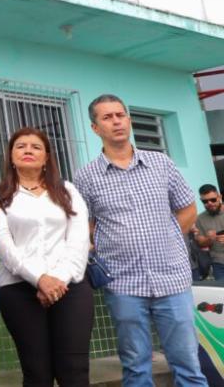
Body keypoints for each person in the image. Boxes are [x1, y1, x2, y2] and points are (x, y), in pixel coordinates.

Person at [75, 94, 205, 387]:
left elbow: (187, 208)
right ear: (95, 128)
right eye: (107, 117)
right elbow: (84, 225)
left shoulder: (161, 163)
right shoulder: (86, 177)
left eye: (120, 115)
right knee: (135, 366)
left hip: (171, 278)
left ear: (129, 121)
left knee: (187, 363)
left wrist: (169, 236)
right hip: (123, 284)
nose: (116, 121)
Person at [0, 127, 92, 386]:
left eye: (36, 147)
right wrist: (39, 279)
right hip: (18, 289)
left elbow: (79, 241)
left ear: (47, 157)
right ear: (11, 156)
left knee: (75, 372)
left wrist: (57, 280)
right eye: (21, 146)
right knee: (37, 374)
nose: (28, 150)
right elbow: (4, 246)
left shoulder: (67, 190)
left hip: (70, 287)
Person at [195, 184, 224, 281]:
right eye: (205, 201)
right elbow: (200, 243)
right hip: (218, 264)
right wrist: (209, 239)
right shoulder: (200, 219)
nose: (210, 203)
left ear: (219, 197)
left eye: (213, 200)